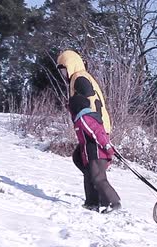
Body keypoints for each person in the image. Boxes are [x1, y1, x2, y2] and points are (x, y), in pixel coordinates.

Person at [57, 50, 121, 212]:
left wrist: (78, 108)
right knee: (80, 159)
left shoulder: (79, 78)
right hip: (90, 128)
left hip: (94, 128)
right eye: (62, 71)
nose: (63, 74)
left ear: (71, 66)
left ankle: (111, 202)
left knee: (95, 172)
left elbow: (87, 102)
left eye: (64, 69)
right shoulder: (80, 78)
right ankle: (92, 201)